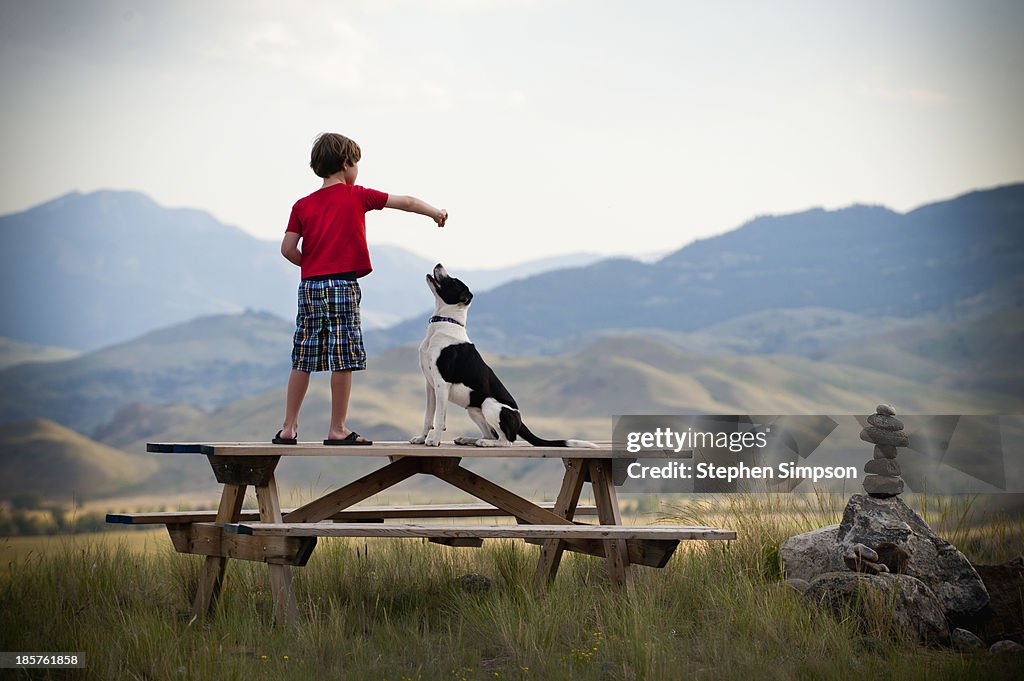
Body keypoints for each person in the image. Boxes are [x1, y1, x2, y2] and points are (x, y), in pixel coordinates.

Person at [274, 132, 447, 445]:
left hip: (311, 287)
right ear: (346, 164)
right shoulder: (358, 196)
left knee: (303, 356)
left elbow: (287, 248)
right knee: (343, 358)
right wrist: (435, 212)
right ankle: (337, 429)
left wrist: (313, 265)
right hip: (342, 284)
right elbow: (405, 202)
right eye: (356, 165)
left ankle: (288, 428)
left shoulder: (302, 205)